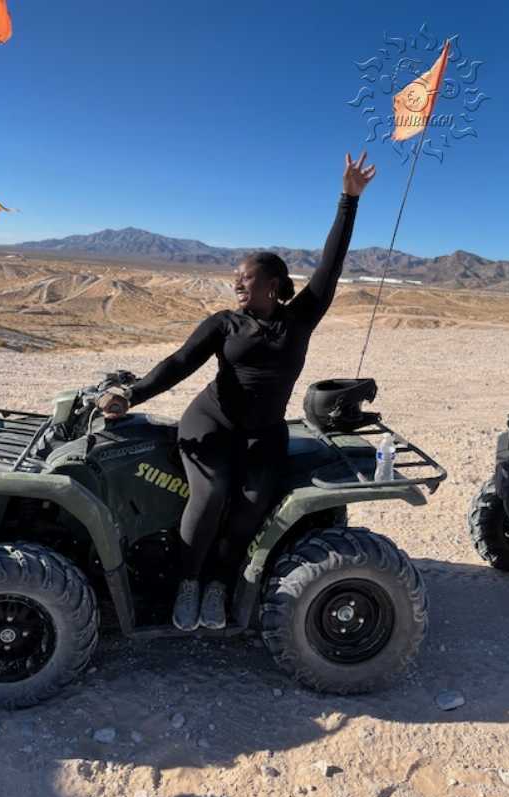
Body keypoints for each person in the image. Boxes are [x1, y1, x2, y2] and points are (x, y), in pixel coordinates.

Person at [98, 151, 376, 631]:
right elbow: (179, 363)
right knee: (211, 495)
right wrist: (132, 395)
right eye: (234, 280)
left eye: (244, 278)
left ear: (272, 283)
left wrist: (348, 199)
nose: (236, 285)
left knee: (251, 508)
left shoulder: (300, 318)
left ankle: (219, 585)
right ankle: (188, 583)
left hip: (263, 432)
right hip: (211, 421)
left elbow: (330, 267)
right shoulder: (224, 324)